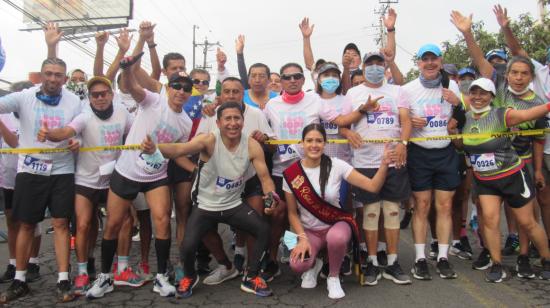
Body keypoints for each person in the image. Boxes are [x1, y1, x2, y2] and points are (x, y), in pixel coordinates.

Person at [86, 52, 193, 299]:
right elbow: (133, 88)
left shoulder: (185, 123)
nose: (180, 91)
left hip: (156, 176)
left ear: (190, 94)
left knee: (163, 220)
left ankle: (161, 276)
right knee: (113, 224)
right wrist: (127, 69)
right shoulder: (154, 100)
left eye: (186, 88)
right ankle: (105, 277)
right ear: (169, 87)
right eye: (176, 85)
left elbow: (177, 153)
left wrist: (196, 169)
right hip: (127, 171)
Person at [155, 102, 278, 298]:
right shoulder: (209, 140)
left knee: (263, 229)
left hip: (233, 203)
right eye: (227, 119)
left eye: (236, 118)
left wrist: (271, 197)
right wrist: (154, 147)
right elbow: (180, 149)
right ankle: (190, 275)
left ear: (243, 121)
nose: (232, 123)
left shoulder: (252, 145)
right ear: (219, 122)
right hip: (205, 205)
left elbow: (265, 179)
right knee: (188, 246)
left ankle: (251, 276)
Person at [38, 76, 134, 294]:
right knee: (83, 225)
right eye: (95, 95)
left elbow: (134, 132)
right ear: (89, 98)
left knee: (125, 220)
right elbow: (67, 132)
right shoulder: (84, 115)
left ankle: (123, 268)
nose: (99, 98)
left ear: (111, 94)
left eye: (103, 94)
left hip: (113, 177)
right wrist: (50, 135)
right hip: (85, 179)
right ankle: (82, 272)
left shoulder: (122, 112)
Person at [0, 58, 82, 303]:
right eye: (49, 73)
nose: (53, 79)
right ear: (41, 75)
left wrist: (77, 142)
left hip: (62, 170)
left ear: (65, 79)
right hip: (31, 169)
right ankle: (20, 280)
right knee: (25, 224)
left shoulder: (74, 100)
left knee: (60, 224)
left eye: (58, 75)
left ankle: (63, 280)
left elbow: (80, 129)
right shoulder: (25, 96)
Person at [458, 77, 550, 282]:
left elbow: (528, 114)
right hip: (485, 180)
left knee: (527, 223)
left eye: (483, 93)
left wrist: (548, 106)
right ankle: (497, 264)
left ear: (491, 96)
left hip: (512, 176)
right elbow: (460, 145)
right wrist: (451, 131)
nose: (478, 97)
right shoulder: (465, 118)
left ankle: (546, 259)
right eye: (474, 93)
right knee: (490, 221)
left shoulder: (501, 114)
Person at [284, 124, 391, 299]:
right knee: (297, 265)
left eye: (319, 141)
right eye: (309, 140)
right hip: (309, 230)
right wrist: (302, 238)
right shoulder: (291, 174)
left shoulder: (337, 165)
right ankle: (314, 264)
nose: (314, 145)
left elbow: (373, 186)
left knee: (337, 238)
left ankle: (333, 276)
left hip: (335, 224)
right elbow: (292, 213)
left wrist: (384, 164)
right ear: (301, 143)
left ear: (325, 144)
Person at [195, 77, 280, 283]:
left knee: (255, 217)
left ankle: (252, 269)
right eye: (227, 91)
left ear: (243, 93)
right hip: (217, 183)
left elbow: (273, 145)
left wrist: (265, 140)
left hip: (248, 178)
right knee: (200, 224)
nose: (231, 95)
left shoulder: (256, 114)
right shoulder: (210, 114)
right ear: (221, 94)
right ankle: (226, 265)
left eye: (236, 91)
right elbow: (195, 146)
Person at [345, 49, 412, 286]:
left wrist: (403, 143)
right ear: (363, 68)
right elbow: (344, 123)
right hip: (364, 162)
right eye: (369, 63)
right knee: (371, 213)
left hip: (394, 159)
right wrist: (347, 134)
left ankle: (392, 261)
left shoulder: (397, 91)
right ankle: (372, 262)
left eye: (378, 63)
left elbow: (405, 121)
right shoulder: (353, 93)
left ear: (385, 66)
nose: (374, 67)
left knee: (392, 211)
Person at [401, 43, 462, 280]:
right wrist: (410, 121)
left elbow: (462, 113)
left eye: (433, 59)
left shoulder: (452, 85)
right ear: (418, 63)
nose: (429, 63)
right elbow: (400, 119)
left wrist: (457, 104)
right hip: (420, 153)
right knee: (422, 206)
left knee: (445, 207)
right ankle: (419, 258)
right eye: (424, 59)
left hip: (445, 152)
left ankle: (444, 257)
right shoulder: (408, 89)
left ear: (440, 60)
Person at [0, 81, 43, 284]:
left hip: (30, 173)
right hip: (8, 176)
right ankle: (13, 262)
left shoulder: (35, 114)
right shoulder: (4, 114)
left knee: (30, 221)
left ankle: (33, 262)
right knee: (11, 221)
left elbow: (15, 143)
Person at [234, 35, 278, 109]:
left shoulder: (276, 99)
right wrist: (239, 54)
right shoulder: (240, 96)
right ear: (248, 80)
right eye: (253, 76)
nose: (257, 80)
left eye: (262, 76)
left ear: (268, 80)